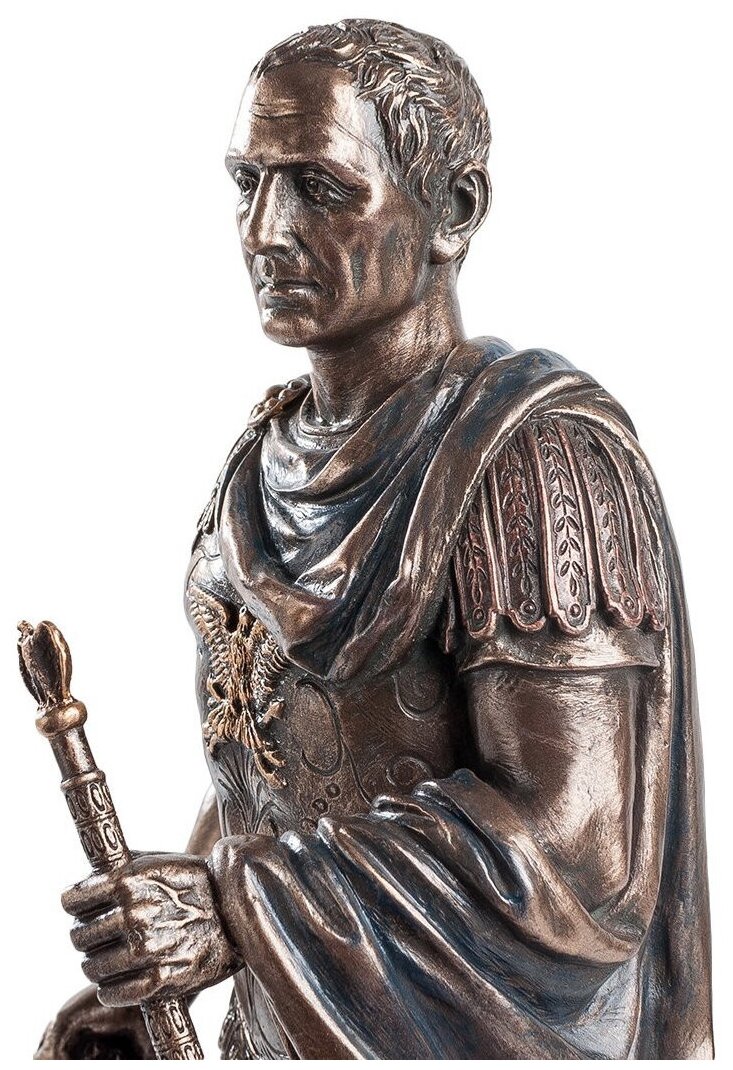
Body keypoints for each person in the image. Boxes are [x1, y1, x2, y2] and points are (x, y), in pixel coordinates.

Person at [43, 19, 713, 1060]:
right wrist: (156, 961)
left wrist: (232, 909)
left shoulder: (535, 466)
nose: (265, 230)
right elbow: (266, 778)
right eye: (247, 182)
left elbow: (578, 857)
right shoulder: (256, 464)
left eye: (319, 187)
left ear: (452, 210)